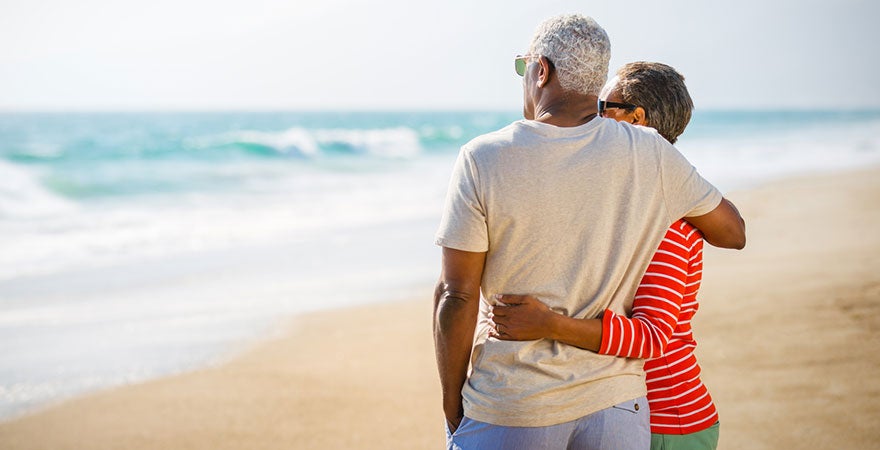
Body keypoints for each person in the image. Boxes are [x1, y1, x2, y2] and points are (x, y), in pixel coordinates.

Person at [433, 14, 745, 450]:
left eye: (525, 68)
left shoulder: (483, 157)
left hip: (518, 404)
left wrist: (452, 405)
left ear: (541, 70)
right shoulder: (652, 155)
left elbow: (456, 294)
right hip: (619, 406)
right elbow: (733, 230)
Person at [490, 62, 729, 450]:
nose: (594, 116)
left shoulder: (668, 220)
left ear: (637, 120)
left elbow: (652, 337)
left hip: (669, 421)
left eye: (604, 106)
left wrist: (548, 324)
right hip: (625, 412)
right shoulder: (625, 199)